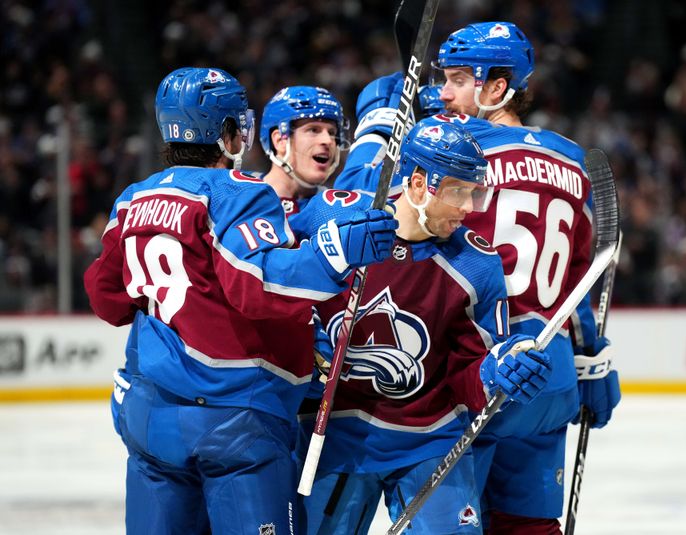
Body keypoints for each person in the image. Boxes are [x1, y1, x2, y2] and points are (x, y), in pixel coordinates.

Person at [83, 66, 398, 535]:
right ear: (230, 131)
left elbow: (105, 298)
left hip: (151, 413)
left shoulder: (134, 198)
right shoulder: (238, 193)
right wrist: (337, 253)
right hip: (234, 418)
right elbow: (260, 285)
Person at [336, 21, 621, 534]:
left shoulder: (458, 150)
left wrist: (380, 125)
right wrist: (592, 360)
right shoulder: (572, 160)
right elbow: (580, 282)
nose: (444, 91)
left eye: (460, 78)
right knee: (529, 525)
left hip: (484, 370)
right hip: (552, 370)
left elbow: (359, 202)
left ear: (497, 87)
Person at [292, 118, 555, 534]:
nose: (469, 207)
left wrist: (496, 370)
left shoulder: (477, 264)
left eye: (474, 192)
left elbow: (470, 372)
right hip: (335, 435)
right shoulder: (333, 216)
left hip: (427, 439)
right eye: (458, 191)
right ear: (417, 183)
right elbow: (273, 282)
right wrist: (301, 340)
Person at [259, 85, 349, 217]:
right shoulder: (243, 201)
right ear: (280, 141)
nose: (329, 141)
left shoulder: (338, 209)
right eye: (313, 130)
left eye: (332, 132)